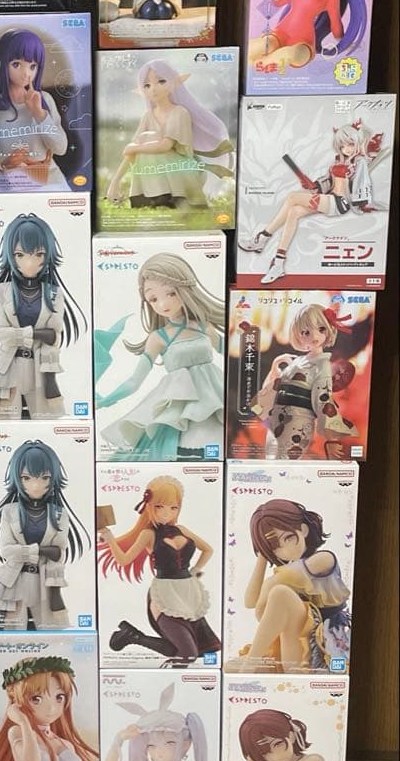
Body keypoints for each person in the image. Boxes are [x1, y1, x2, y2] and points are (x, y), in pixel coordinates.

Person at [95, 253, 224, 460]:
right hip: (179, 406)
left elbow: (233, 356)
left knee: (215, 448)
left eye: (171, 293)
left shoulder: (203, 327)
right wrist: (104, 402)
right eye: (153, 299)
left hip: (214, 399)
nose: (163, 304)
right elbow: (134, 381)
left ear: (184, 289)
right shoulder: (158, 338)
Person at [0, 213, 85, 419]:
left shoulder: (54, 293)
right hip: (5, 366)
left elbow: (53, 338)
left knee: (42, 418)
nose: (29, 263)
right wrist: (37, 334)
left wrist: (50, 379)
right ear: (10, 256)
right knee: (0, 419)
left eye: (38, 255)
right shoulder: (2, 291)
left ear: (47, 256)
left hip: (38, 369)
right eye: (20, 255)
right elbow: (0, 335)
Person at [239, 120, 383, 284]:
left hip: (340, 203)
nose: (347, 148)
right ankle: (278, 263)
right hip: (329, 198)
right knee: (293, 212)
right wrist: (314, 186)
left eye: (350, 144)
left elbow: (362, 184)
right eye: (342, 145)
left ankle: (263, 237)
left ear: (357, 142)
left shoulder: (359, 162)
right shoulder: (339, 160)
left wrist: (363, 203)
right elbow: (328, 182)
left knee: (293, 197)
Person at [98, 475, 220, 666]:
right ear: (149, 506)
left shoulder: (182, 529)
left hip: (189, 594)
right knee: (188, 654)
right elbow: (124, 560)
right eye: (159, 506)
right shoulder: (148, 534)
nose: (166, 513)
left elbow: (208, 549)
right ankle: (136, 638)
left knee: (199, 650)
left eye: (173, 507)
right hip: (164, 594)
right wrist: (109, 537)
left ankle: (132, 636)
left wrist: (195, 571)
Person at [0, 439, 89, 629]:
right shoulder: (9, 511)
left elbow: (59, 553)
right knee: (6, 630)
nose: (35, 486)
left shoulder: (59, 514)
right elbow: (7, 551)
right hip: (11, 580)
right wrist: (41, 550)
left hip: (43, 582)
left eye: (44, 478)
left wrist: (55, 589)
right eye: (26, 478)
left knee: (48, 631)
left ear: (53, 478)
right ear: (17, 479)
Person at [224, 499, 351, 673]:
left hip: (323, 645)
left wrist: (269, 591)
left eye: (288, 537)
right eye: (275, 546)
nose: (285, 549)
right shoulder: (285, 573)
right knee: (230, 667)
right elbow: (250, 602)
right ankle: (254, 665)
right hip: (291, 646)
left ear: (303, 529)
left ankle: (251, 664)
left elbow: (268, 597)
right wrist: (263, 556)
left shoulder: (324, 559)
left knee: (280, 593)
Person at [105, 58, 234, 213]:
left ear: (172, 83)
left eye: (161, 81)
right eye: (147, 85)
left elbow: (165, 145)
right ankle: (149, 197)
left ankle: (170, 197)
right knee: (145, 140)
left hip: (181, 170)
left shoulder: (180, 112)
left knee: (147, 141)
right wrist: (115, 183)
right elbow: (131, 153)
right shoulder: (148, 116)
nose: (153, 89)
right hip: (159, 169)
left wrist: (134, 148)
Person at [0, 29, 69, 189]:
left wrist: (39, 114)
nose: (26, 73)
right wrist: (5, 160)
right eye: (16, 64)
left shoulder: (45, 100)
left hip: (48, 180)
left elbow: (61, 148)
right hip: (10, 182)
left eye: (32, 66)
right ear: (2, 63)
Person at [251, 303, 358, 460]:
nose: (314, 336)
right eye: (306, 332)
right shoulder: (298, 360)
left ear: (329, 329)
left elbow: (323, 400)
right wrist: (275, 367)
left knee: (285, 461)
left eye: (321, 329)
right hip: (278, 416)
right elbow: (276, 386)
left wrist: (331, 439)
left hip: (298, 421)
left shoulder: (322, 366)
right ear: (298, 334)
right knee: (271, 458)